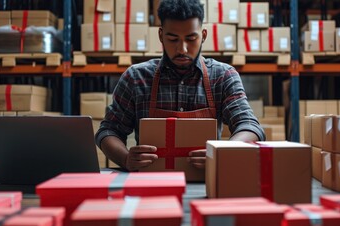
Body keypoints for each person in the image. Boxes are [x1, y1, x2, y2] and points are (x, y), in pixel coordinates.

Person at [95, 0, 265, 171]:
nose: (182, 49)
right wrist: (126, 159)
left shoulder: (222, 77)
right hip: (151, 183)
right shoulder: (136, 78)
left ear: (203, 35)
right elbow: (109, 131)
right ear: (161, 35)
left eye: (191, 38)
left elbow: (250, 126)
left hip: (207, 183)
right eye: (172, 39)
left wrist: (222, 153)